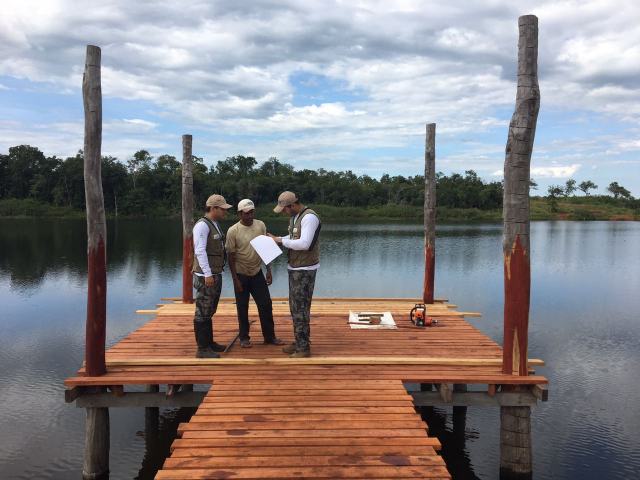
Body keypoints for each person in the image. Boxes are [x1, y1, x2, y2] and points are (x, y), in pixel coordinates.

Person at [267, 191, 321, 358]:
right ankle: (299, 341)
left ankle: (303, 348)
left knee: (301, 309)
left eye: (284, 209)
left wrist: (279, 241)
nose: (283, 212)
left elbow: (305, 243)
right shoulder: (295, 217)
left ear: (292, 205)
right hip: (295, 268)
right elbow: (292, 237)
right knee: (295, 308)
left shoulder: (309, 217)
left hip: (305, 270)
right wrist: (277, 238)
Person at [226, 199, 284, 348]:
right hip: (241, 274)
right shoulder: (233, 231)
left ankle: (269, 336)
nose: (250, 216)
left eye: (252, 212)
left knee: (266, 304)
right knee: (242, 307)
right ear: (239, 213)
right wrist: (235, 279)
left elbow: (265, 248)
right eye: (247, 213)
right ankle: (244, 337)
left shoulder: (260, 225)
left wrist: (268, 270)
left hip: (257, 273)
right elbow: (230, 257)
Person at [192, 194, 232, 358]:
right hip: (206, 276)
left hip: (215, 273)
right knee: (202, 311)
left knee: (210, 309)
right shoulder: (202, 226)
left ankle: (209, 342)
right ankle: (202, 349)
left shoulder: (214, 223)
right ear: (213, 208)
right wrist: (207, 274)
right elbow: (200, 250)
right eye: (223, 209)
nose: (225, 212)